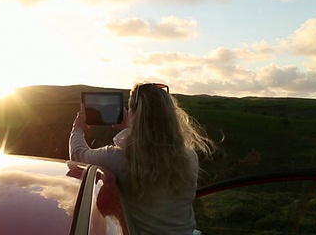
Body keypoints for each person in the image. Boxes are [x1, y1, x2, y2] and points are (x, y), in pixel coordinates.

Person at [69, 82, 214, 235]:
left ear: (133, 113)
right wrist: (128, 128)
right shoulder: (189, 157)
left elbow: (78, 155)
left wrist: (77, 128)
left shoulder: (118, 159)